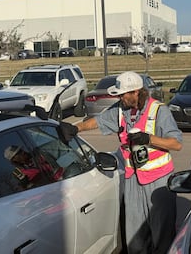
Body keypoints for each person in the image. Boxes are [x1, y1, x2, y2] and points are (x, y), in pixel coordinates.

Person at [60, 71, 183, 254]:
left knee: (162, 235)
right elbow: (98, 121)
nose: (119, 98)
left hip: (159, 183)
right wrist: (76, 128)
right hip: (133, 179)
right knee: (135, 238)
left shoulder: (159, 111)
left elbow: (176, 144)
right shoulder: (120, 110)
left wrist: (148, 139)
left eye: (123, 94)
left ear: (136, 92)